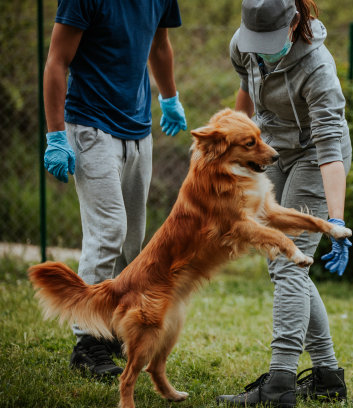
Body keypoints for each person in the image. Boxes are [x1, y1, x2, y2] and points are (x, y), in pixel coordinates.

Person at [217, 0, 352, 406]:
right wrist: (236, 152)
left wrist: (335, 220)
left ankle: (280, 384)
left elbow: (330, 148)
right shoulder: (243, 46)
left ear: (294, 23)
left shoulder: (319, 70)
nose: (259, 50)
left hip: (315, 157)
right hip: (272, 149)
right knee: (286, 264)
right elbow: (246, 97)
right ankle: (327, 376)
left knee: (287, 261)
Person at [43, 0, 187, 378]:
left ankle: (114, 332)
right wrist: (56, 135)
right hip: (90, 125)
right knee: (108, 232)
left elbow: (159, 45)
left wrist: (169, 97)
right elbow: (57, 60)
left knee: (133, 243)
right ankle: (87, 343)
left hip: (138, 130)